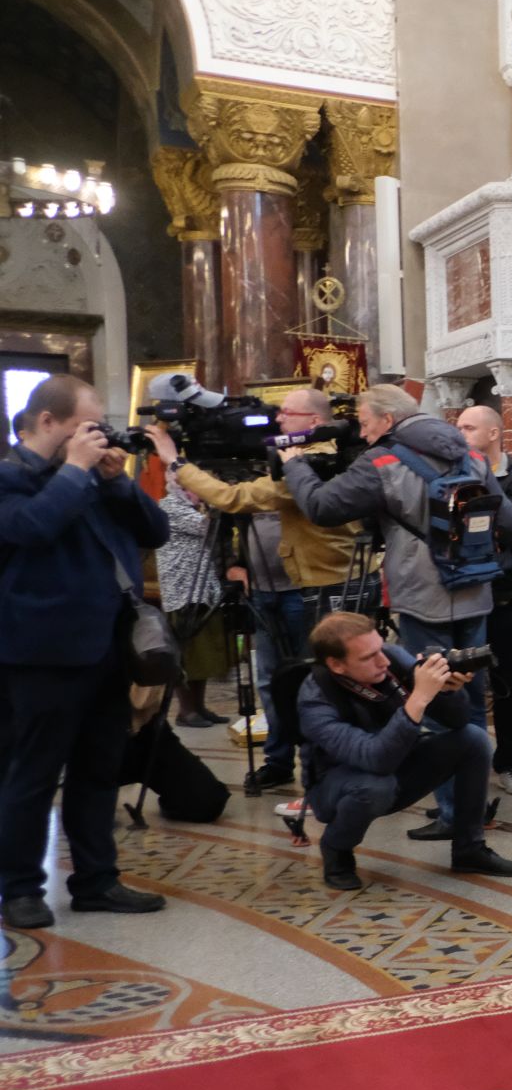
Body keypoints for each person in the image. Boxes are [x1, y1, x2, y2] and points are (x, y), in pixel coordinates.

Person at [283, 383, 512, 840]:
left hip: (423, 595)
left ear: (388, 421)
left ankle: (451, 813)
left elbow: (322, 507)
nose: (363, 435)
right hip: (475, 591)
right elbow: (503, 518)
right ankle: (468, 810)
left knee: (430, 698)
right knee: (468, 702)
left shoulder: (383, 461)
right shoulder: (469, 454)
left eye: (366, 425)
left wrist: (296, 467)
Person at [0, 374, 170, 929]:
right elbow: (32, 528)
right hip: (43, 653)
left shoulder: (92, 480)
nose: (97, 437)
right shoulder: (11, 478)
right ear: (48, 423)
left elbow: (157, 530)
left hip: (107, 647)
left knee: (99, 771)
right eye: (86, 427)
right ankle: (20, 888)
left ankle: (97, 880)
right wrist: (74, 471)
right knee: (33, 774)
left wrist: (117, 482)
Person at [147, 389, 364, 793]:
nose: (277, 421)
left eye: (287, 413)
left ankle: (317, 768)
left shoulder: (315, 462)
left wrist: (175, 462)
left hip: (308, 589)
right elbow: (235, 513)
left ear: (314, 422)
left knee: (308, 684)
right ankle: (277, 761)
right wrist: (234, 562)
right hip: (265, 587)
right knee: (270, 681)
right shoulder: (284, 457)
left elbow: (235, 498)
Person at [298, 612, 512, 890]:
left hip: (396, 764)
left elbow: (457, 720)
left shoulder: (389, 658)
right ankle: (336, 848)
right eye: (368, 657)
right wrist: (419, 697)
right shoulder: (315, 701)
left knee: (473, 740)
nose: (382, 660)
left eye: (380, 649)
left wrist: (446, 691)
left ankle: (469, 849)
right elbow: (375, 759)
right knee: (375, 787)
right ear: (336, 664)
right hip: (337, 786)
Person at [455, 406, 512, 796]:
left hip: (503, 591)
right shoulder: (453, 472)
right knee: (459, 676)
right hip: (463, 591)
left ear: (492, 434)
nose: (461, 433)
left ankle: (507, 761)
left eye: (469, 428)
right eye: (458, 427)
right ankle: (462, 761)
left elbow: (504, 526)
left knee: (504, 677)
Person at [154, 475, 234, 728]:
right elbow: (207, 528)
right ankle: (186, 711)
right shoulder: (169, 506)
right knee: (187, 654)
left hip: (201, 590)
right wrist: (222, 502)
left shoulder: (191, 508)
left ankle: (199, 707)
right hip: (183, 591)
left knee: (204, 656)